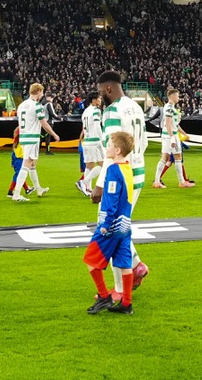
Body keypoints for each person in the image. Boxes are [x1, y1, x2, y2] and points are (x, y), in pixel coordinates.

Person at [95, 70, 150, 294]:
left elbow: (113, 151)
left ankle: (120, 287)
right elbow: (144, 142)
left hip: (118, 177)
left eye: (100, 92)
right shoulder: (135, 106)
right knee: (120, 226)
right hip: (137, 171)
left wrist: (100, 183)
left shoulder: (112, 111)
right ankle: (136, 265)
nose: (99, 98)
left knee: (110, 229)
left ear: (108, 88)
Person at [84, 130, 137, 315]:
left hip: (112, 225)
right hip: (125, 225)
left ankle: (104, 295)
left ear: (118, 150)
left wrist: (105, 224)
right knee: (124, 264)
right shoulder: (127, 168)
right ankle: (126, 304)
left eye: (109, 145)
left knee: (91, 260)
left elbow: (112, 200)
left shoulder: (113, 170)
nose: (106, 148)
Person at [14, 82, 60, 201]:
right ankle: (17, 193)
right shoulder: (37, 105)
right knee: (26, 165)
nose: (42, 95)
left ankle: (38, 188)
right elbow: (44, 123)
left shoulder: (21, 105)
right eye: (42, 92)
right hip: (32, 138)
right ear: (39, 92)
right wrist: (54, 134)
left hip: (24, 137)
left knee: (32, 164)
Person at [154, 88, 195, 188]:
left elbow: (174, 125)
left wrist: (184, 134)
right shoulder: (169, 108)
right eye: (177, 96)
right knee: (166, 158)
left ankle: (180, 181)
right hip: (169, 136)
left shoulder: (171, 107)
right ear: (171, 96)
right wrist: (172, 138)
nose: (178, 98)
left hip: (171, 135)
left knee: (176, 157)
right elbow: (168, 124)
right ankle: (158, 181)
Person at [76, 89, 104, 197]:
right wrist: (102, 139)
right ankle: (84, 182)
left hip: (86, 142)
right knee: (103, 165)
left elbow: (84, 127)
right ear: (94, 100)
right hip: (95, 141)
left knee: (89, 166)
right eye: (99, 98)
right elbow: (97, 126)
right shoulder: (96, 111)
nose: (100, 100)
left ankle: (87, 188)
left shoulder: (85, 111)